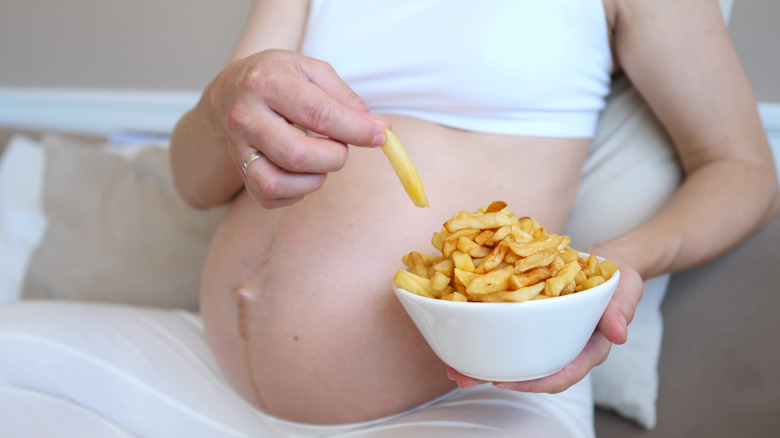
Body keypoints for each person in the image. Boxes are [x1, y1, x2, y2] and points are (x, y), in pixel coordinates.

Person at [1, 0, 778, 437]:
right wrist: (226, 101)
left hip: (463, 403)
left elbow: (740, 165)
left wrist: (607, 268)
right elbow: (193, 179)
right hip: (201, 376)